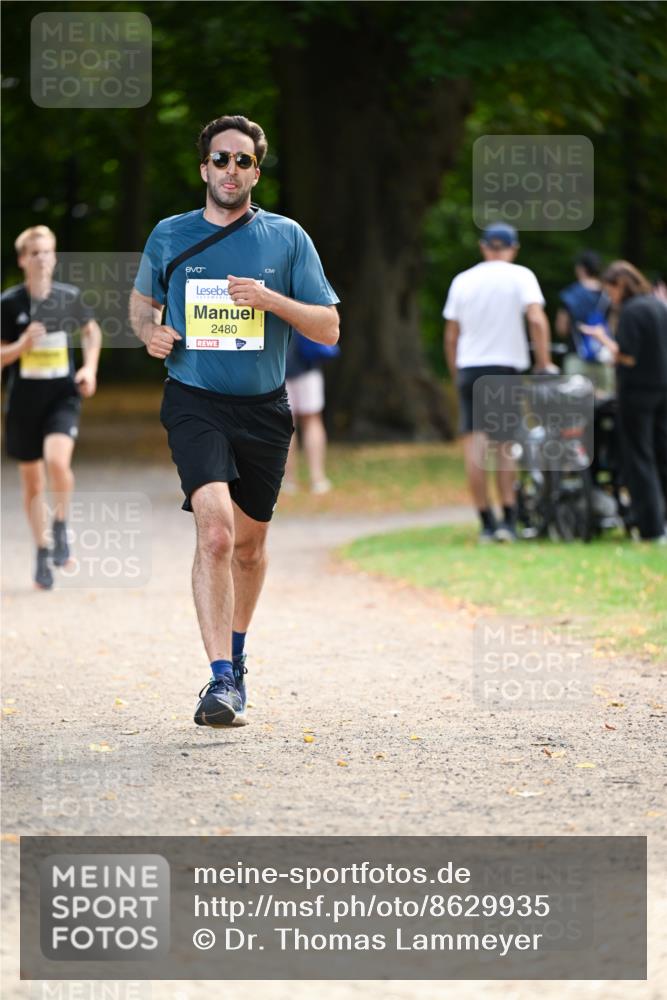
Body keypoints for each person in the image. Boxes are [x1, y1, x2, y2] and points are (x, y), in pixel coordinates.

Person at [129, 114, 339, 729]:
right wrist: (151, 333)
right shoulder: (170, 235)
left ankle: (238, 660)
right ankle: (219, 681)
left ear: (256, 170)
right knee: (215, 533)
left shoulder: (287, 238)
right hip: (194, 401)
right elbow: (142, 303)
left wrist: (270, 300)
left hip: (265, 410)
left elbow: (328, 327)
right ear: (204, 168)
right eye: (220, 159)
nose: (230, 169)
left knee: (249, 548)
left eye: (242, 160)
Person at [443, 222, 557, 543]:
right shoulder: (521, 276)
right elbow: (536, 318)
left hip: (469, 369)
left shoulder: (462, 280)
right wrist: (543, 363)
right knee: (504, 447)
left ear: (483, 247)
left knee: (475, 447)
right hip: (503, 369)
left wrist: (456, 374)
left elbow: (452, 336)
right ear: (513, 248)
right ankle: (508, 520)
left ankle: (486, 523)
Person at [1, 225, 102, 589]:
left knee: (58, 462)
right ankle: (42, 550)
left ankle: (61, 525)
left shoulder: (69, 296)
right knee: (32, 482)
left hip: (62, 395)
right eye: (35, 253)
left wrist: (89, 369)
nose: (42, 259)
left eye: (48, 252)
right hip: (24, 401)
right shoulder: (9, 303)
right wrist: (21, 346)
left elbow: (91, 332)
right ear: (23, 260)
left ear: (55, 256)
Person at [581, 260, 667, 543]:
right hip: (662, 389)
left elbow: (628, 355)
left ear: (620, 285)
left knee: (639, 458)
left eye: (611, 290)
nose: (611, 297)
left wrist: (603, 340)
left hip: (637, 392)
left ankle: (651, 527)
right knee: (661, 454)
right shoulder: (657, 305)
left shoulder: (631, 311)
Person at [555, 249, 615, 395]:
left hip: (576, 357)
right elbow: (614, 327)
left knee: (576, 408)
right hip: (605, 359)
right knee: (606, 407)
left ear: (581, 269)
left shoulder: (571, 293)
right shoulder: (610, 294)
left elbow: (562, 328)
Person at [283, 333, 332, 495]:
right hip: (307, 364)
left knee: (285, 425)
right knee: (312, 420)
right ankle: (317, 478)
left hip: (279, 368)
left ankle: (289, 480)